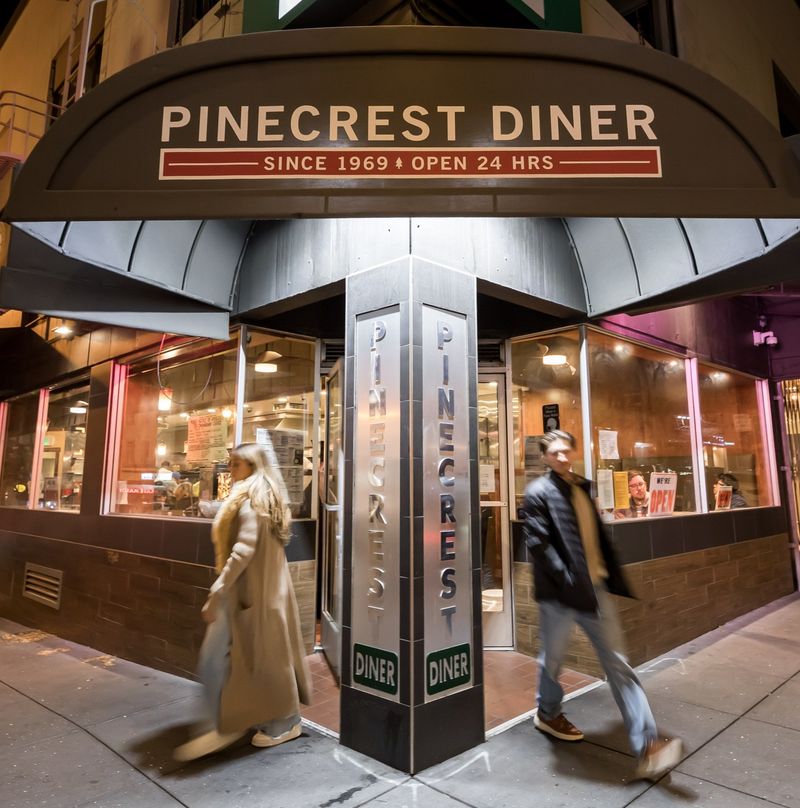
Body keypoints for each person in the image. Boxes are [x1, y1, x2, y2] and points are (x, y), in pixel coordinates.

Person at [521, 430, 683, 780]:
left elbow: (592, 536)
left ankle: (648, 743)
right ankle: (547, 712)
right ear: (546, 456)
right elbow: (538, 542)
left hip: (593, 591)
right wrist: (567, 579)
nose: (564, 458)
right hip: (561, 596)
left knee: (619, 665)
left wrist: (604, 575)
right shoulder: (537, 492)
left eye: (568, 452)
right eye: (557, 453)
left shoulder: (583, 487)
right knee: (553, 660)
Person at [174, 443, 312, 761]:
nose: (230, 468)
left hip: (250, 594)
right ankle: (241, 721)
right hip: (257, 594)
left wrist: (217, 591)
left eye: (236, 464)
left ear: (253, 466)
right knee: (256, 660)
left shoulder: (253, 499)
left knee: (244, 660)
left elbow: (243, 549)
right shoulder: (257, 495)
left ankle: (252, 723)